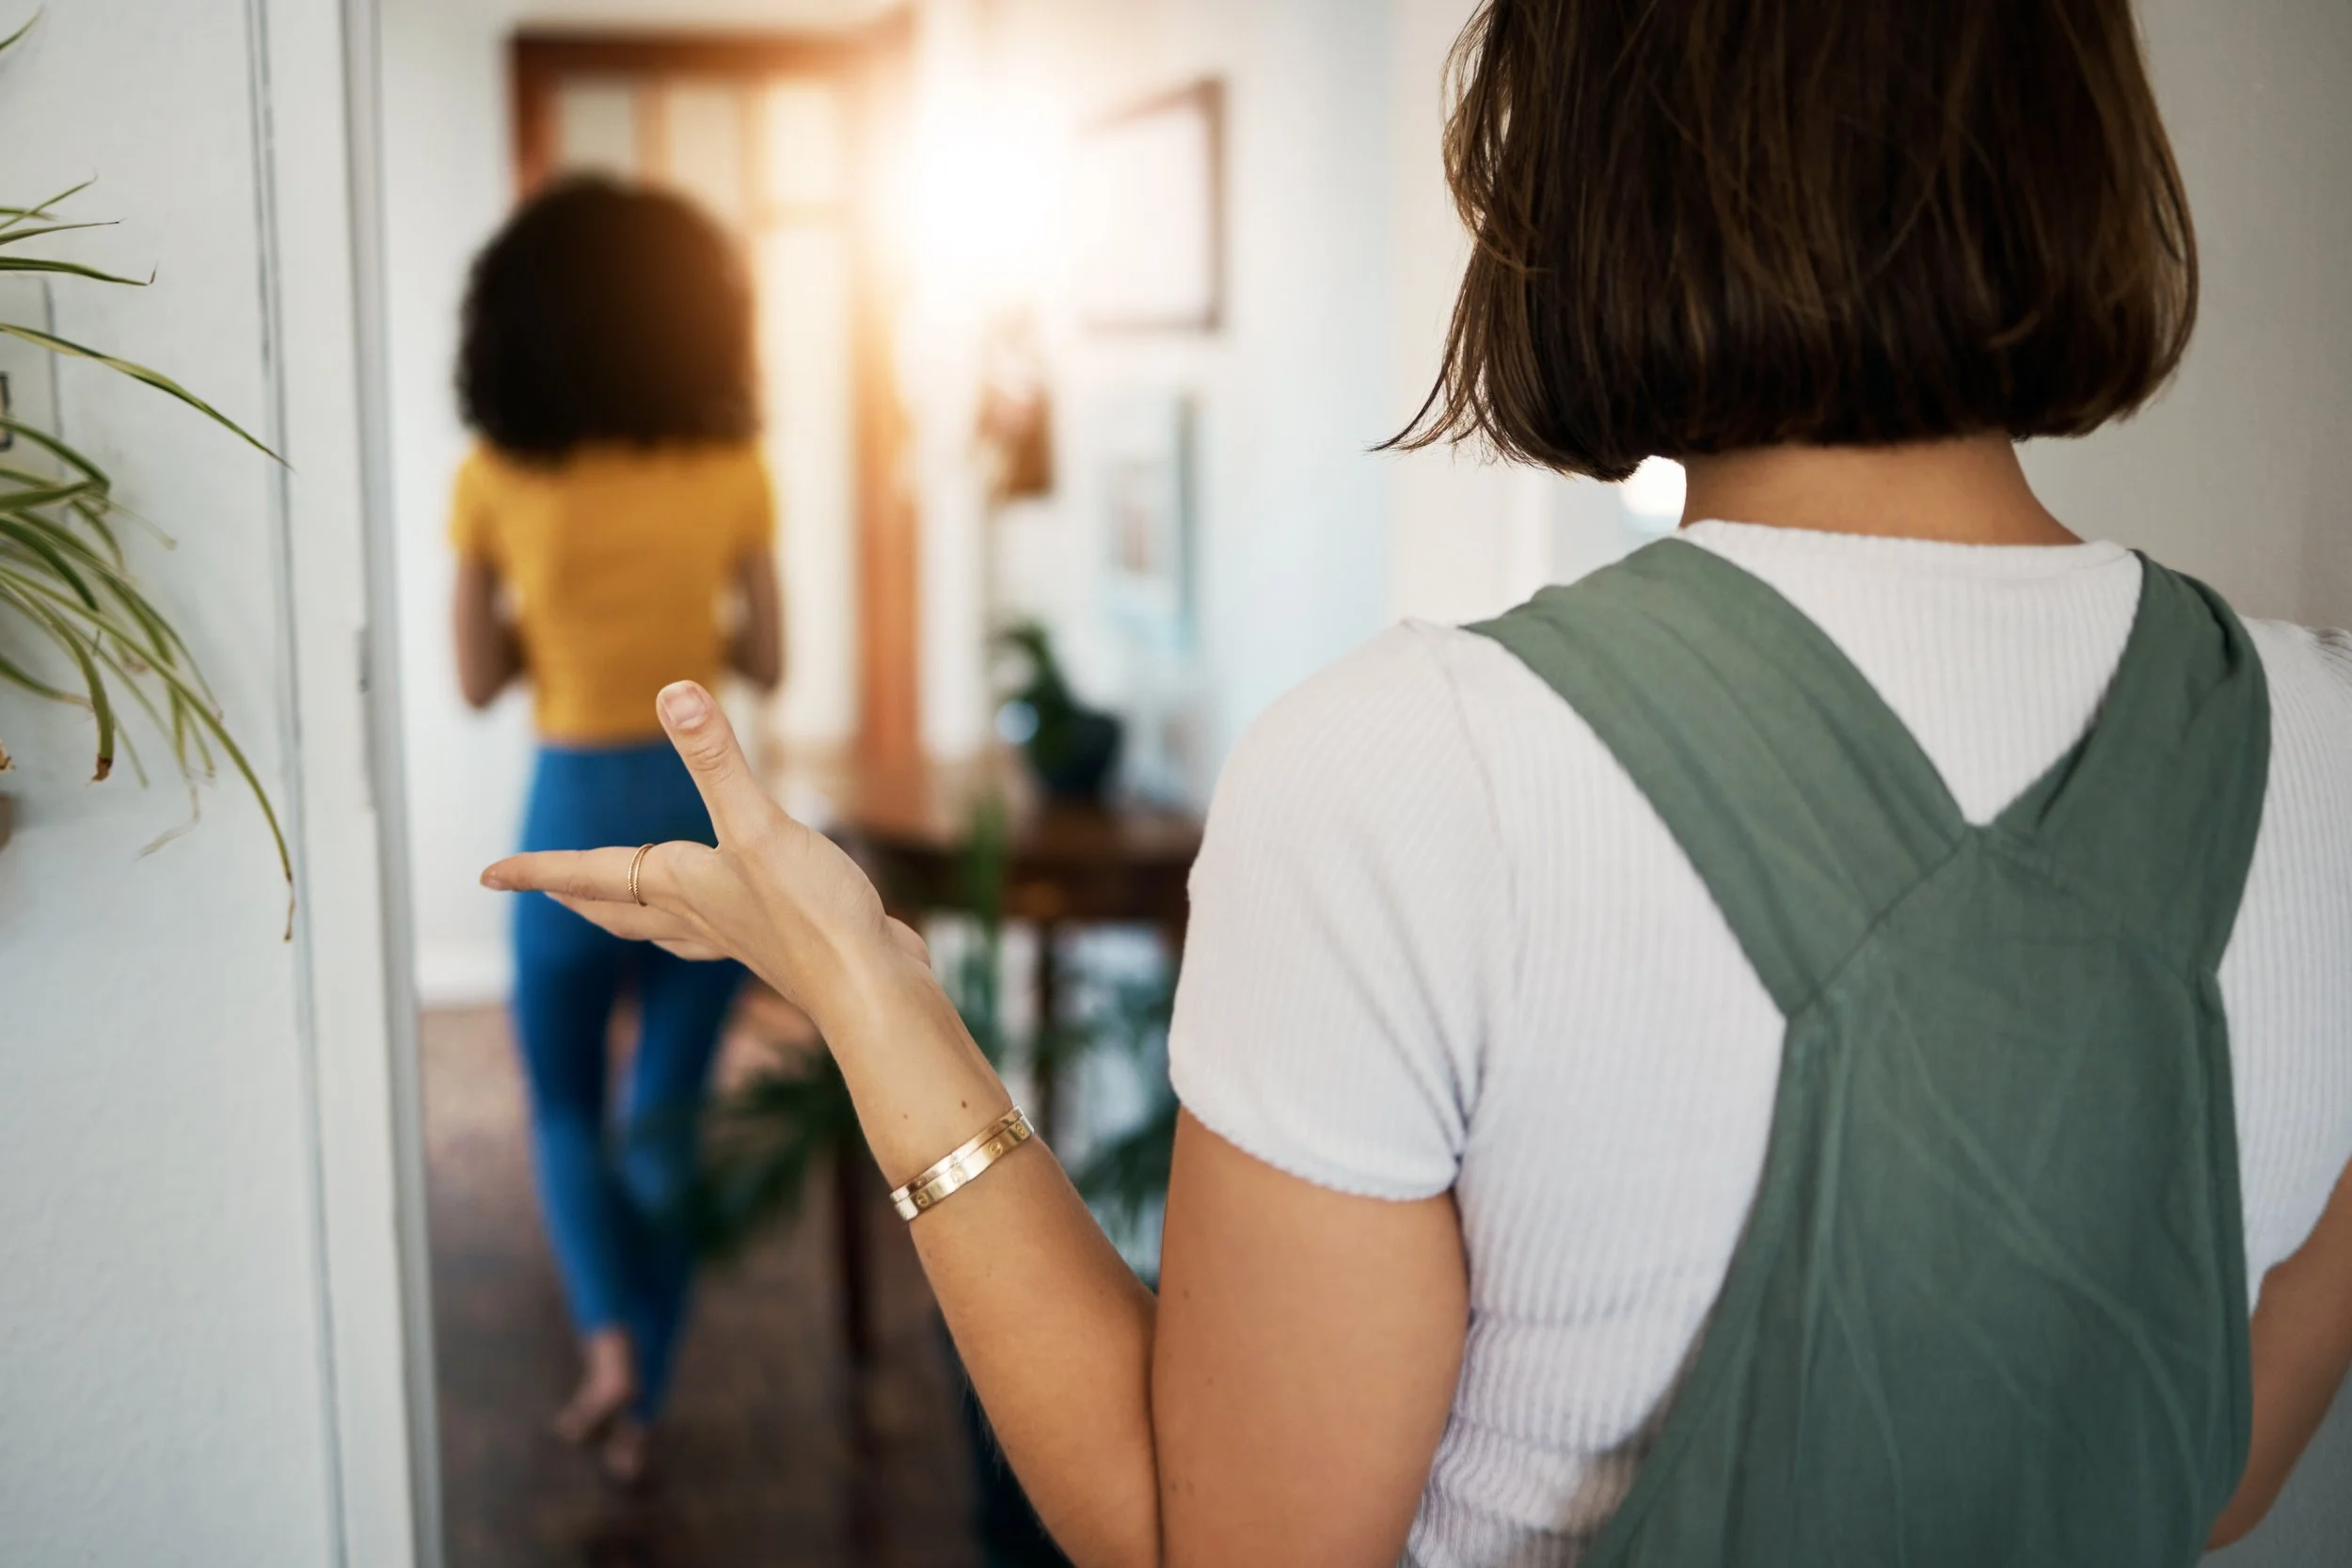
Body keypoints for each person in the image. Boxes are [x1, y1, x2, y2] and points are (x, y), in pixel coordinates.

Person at [484, 1, 2352, 1561]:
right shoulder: (2319, 738)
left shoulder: (1412, 767)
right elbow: (2205, 1463)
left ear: (1579, 171)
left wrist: (867, 990)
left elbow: (1200, 1539)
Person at [450, 175, 781, 1486]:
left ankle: (607, 1351)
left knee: (564, 1106)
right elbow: (776, 648)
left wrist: (558, 624)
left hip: (567, 821)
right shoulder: (734, 467)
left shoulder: (492, 478)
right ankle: (649, 1372)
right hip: (699, 818)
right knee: (667, 1116)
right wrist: (683, 626)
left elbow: (477, 677)